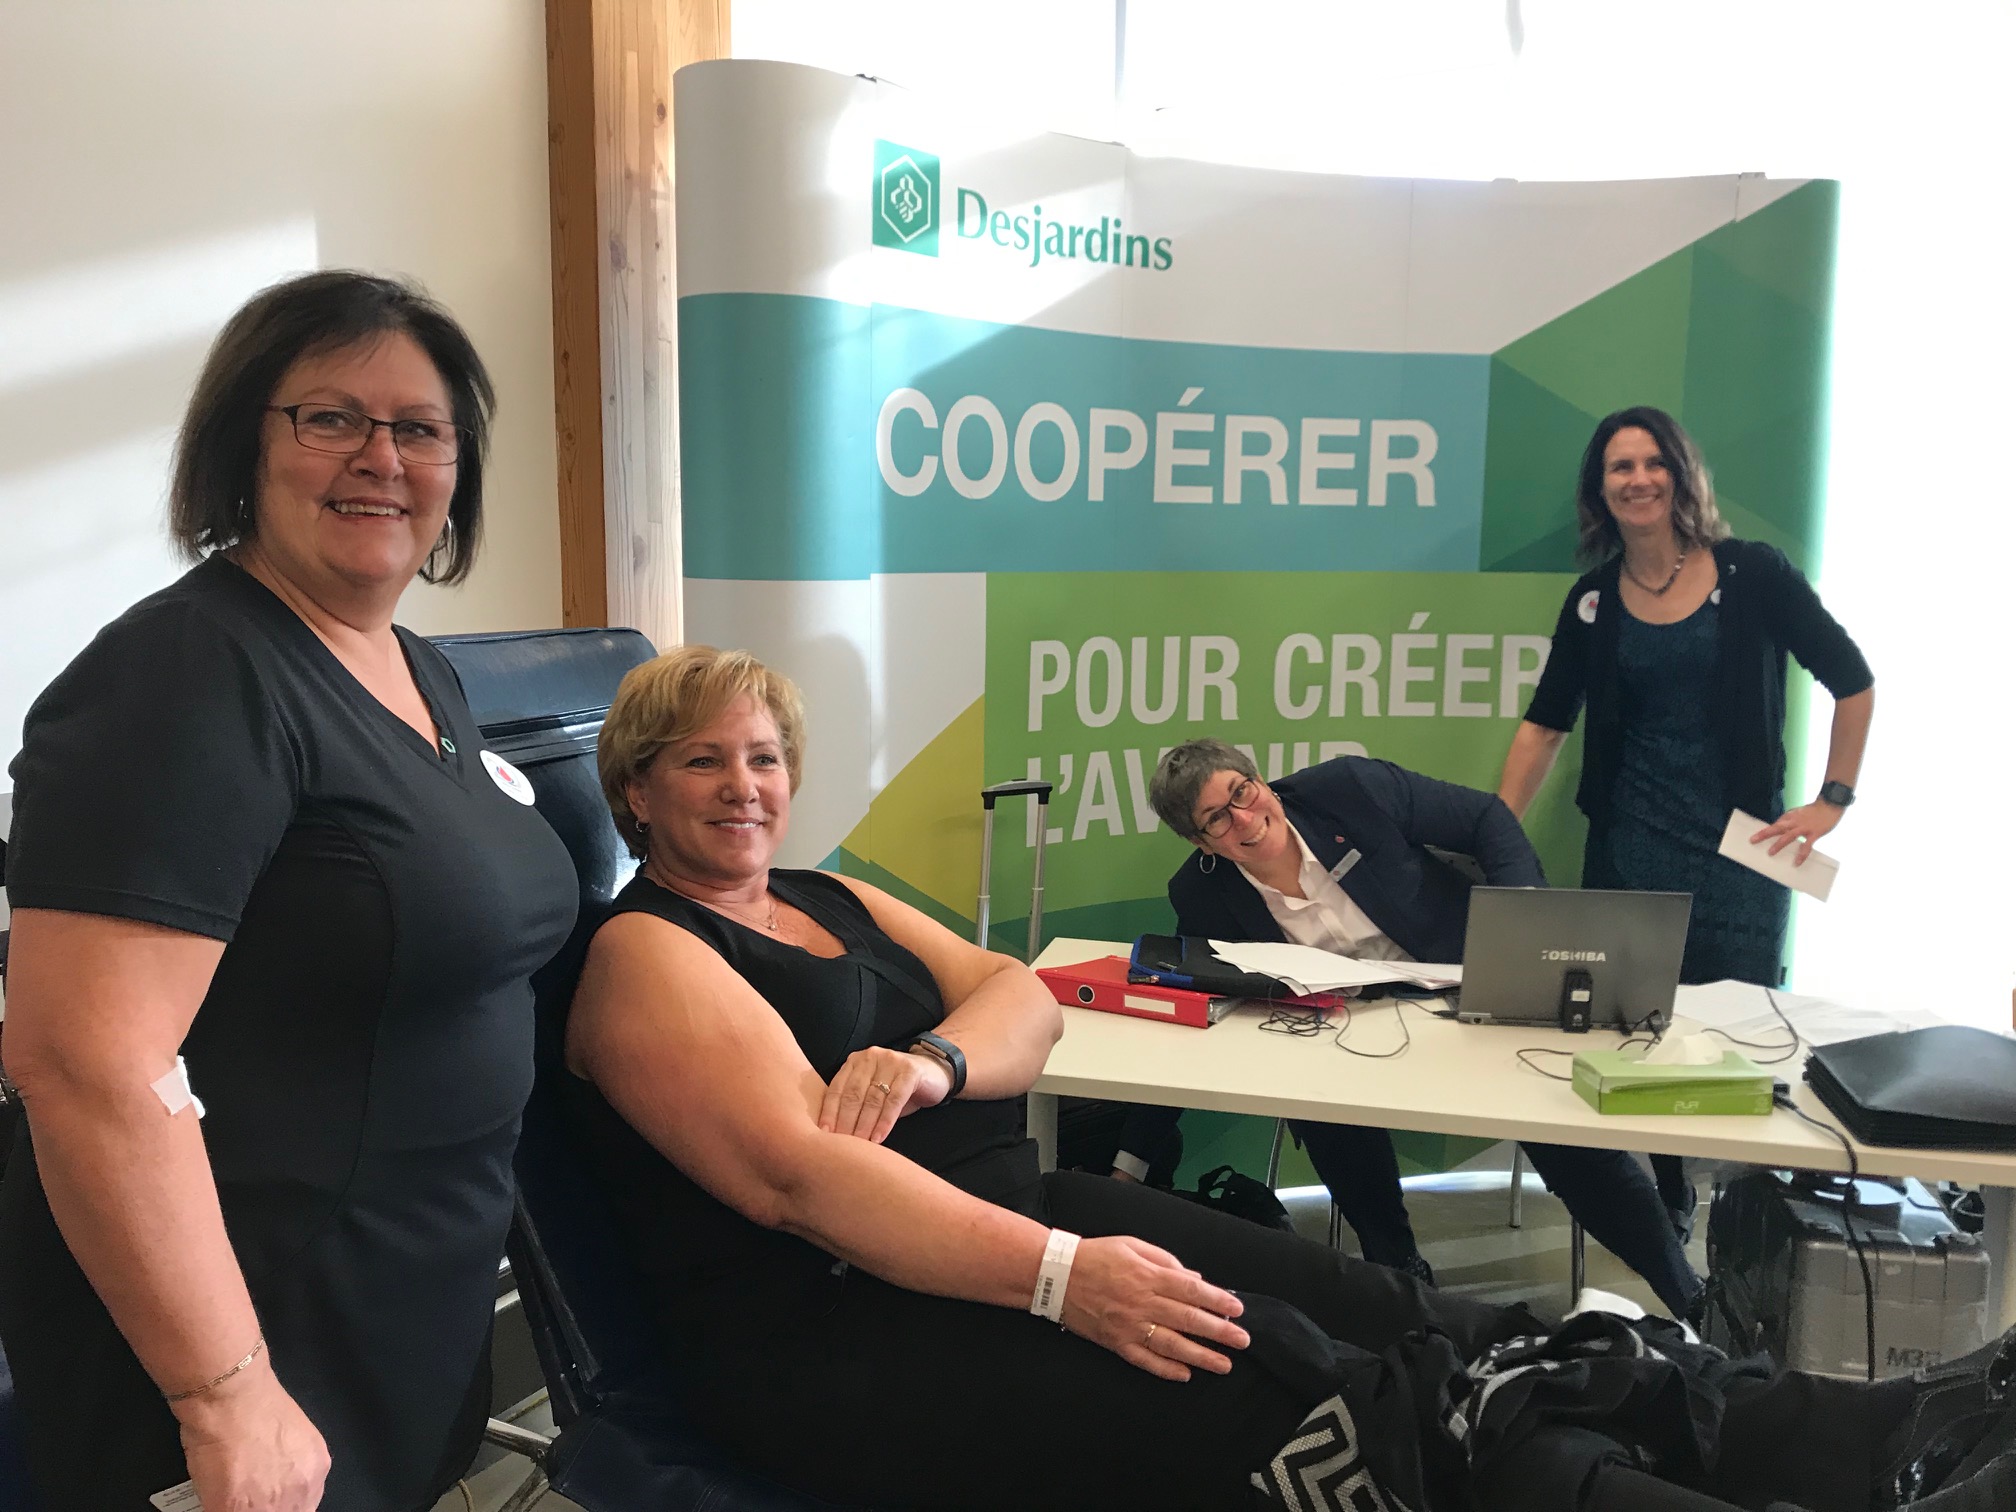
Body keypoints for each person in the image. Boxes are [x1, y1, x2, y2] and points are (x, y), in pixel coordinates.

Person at [545, 643, 2014, 1512]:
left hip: (1007, 1222)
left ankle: (1854, 1438)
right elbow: (803, 1184)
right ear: (634, 790)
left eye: (762, 757)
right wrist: (1064, 1278)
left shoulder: (823, 894)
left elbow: (1023, 999)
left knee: (1419, 1317)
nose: (744, 787)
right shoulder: (647, 955)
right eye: (702, 764)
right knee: (1347, 1401)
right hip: (850, 1329)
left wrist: (934, 1063)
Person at [0, 272, 579, 1512]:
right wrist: (226, 1395)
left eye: (419, 428)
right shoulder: (185, 674)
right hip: (246, 1340)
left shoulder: (415, 668)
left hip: (400, 1302)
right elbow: (85, 1063)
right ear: (244, 445)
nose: (382, 458)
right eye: (331, 418)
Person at [1115, 740, 1702, 1322]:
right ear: (1201, 843)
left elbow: (1485, 817)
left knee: (1571, 1145)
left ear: (1261, 782)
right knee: (1321, 1106)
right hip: (1342, 1034)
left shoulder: (1349, 790)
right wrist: (1130, 1165)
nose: (1243, 818)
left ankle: (1689, 1297)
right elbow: (1189, 1014)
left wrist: (1522, 918)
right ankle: (1402, 1278)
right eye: (1216, 818)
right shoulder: (1202, 894)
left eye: (1241, 792)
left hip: (1465, 991)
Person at [1496, 405, 1874, 1235]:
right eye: (1619, 467)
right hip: (1629, 855)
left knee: (1742, 1044)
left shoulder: (1753, 575)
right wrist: (1493, 832)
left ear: (1680, 473)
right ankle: (1669, 1202)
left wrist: (1832, 801)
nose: (1638, 480)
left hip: (1744, 861)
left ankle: (1754, 1230)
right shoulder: (1594, 599)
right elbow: (1545, 726)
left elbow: (1852, 680)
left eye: (1652, 462)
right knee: (1642, 1043)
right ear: (1600, 491)